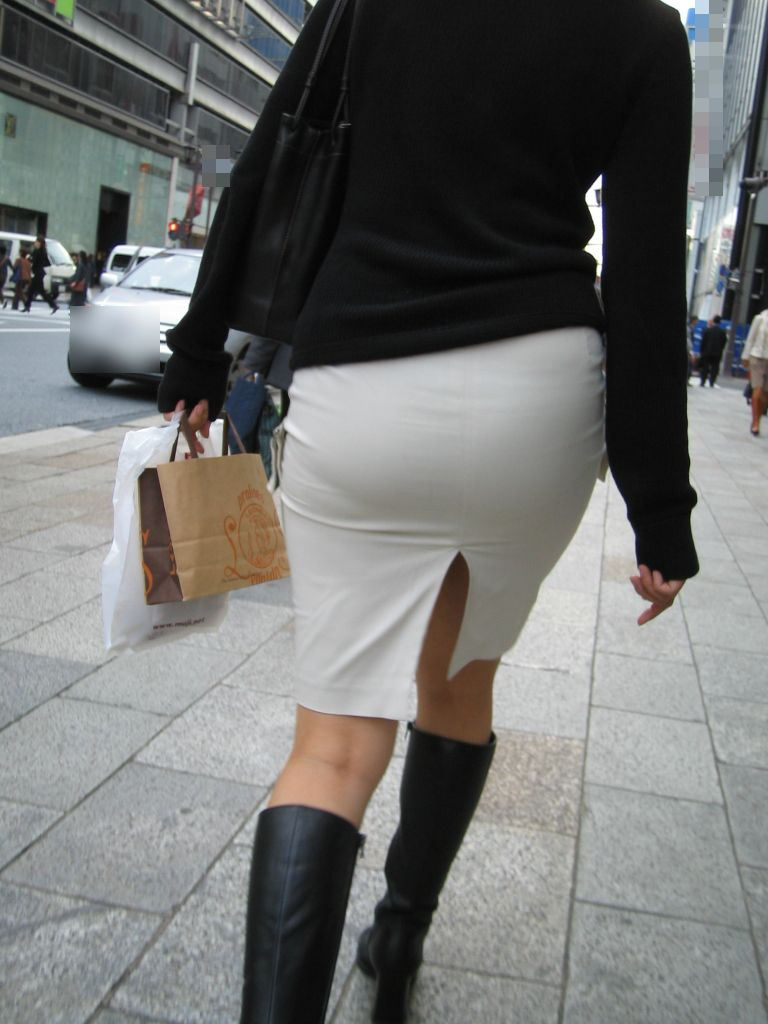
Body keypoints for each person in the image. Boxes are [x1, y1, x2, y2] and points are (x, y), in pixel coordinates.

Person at [156, 1, 700, 1021]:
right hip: (536, 396)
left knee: (332, 744)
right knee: (459, 681)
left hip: (362, 381)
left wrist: (197, 350)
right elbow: (644, 284)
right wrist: (660, 509)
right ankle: (401, 934)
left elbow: (269, 158)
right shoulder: (644, 29)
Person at [742, 307, 768, 436]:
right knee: (757, 390)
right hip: (757, 357)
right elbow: (751, 339)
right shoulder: (760, 318)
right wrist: (745, 356)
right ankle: (755, 423)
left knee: (765, 395)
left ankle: (758, 418)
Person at [23, 235, 58, 313]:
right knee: (32, 290)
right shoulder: (43, 251)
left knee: (36, 291)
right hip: (40, 273)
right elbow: (48, 263)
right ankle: (27, 306)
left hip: (38, 274)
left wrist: (29, 258)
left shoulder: (38, 251)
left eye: (37, 242)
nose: (35, 243)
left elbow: (33, 260)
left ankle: (53, 305)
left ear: (40, 243)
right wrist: (41, 265)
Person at [698, 314, 728, 387]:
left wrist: (701, 350)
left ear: (713, 321)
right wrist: (721, 349)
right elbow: (724, 342)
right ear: (720, 322)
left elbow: (703, 341)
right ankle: (712, 382)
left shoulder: (708, 330)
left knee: (705, 366)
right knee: (715, 367)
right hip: (717, 352)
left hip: (706, 351)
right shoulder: (722, 332)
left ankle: (703, 381)